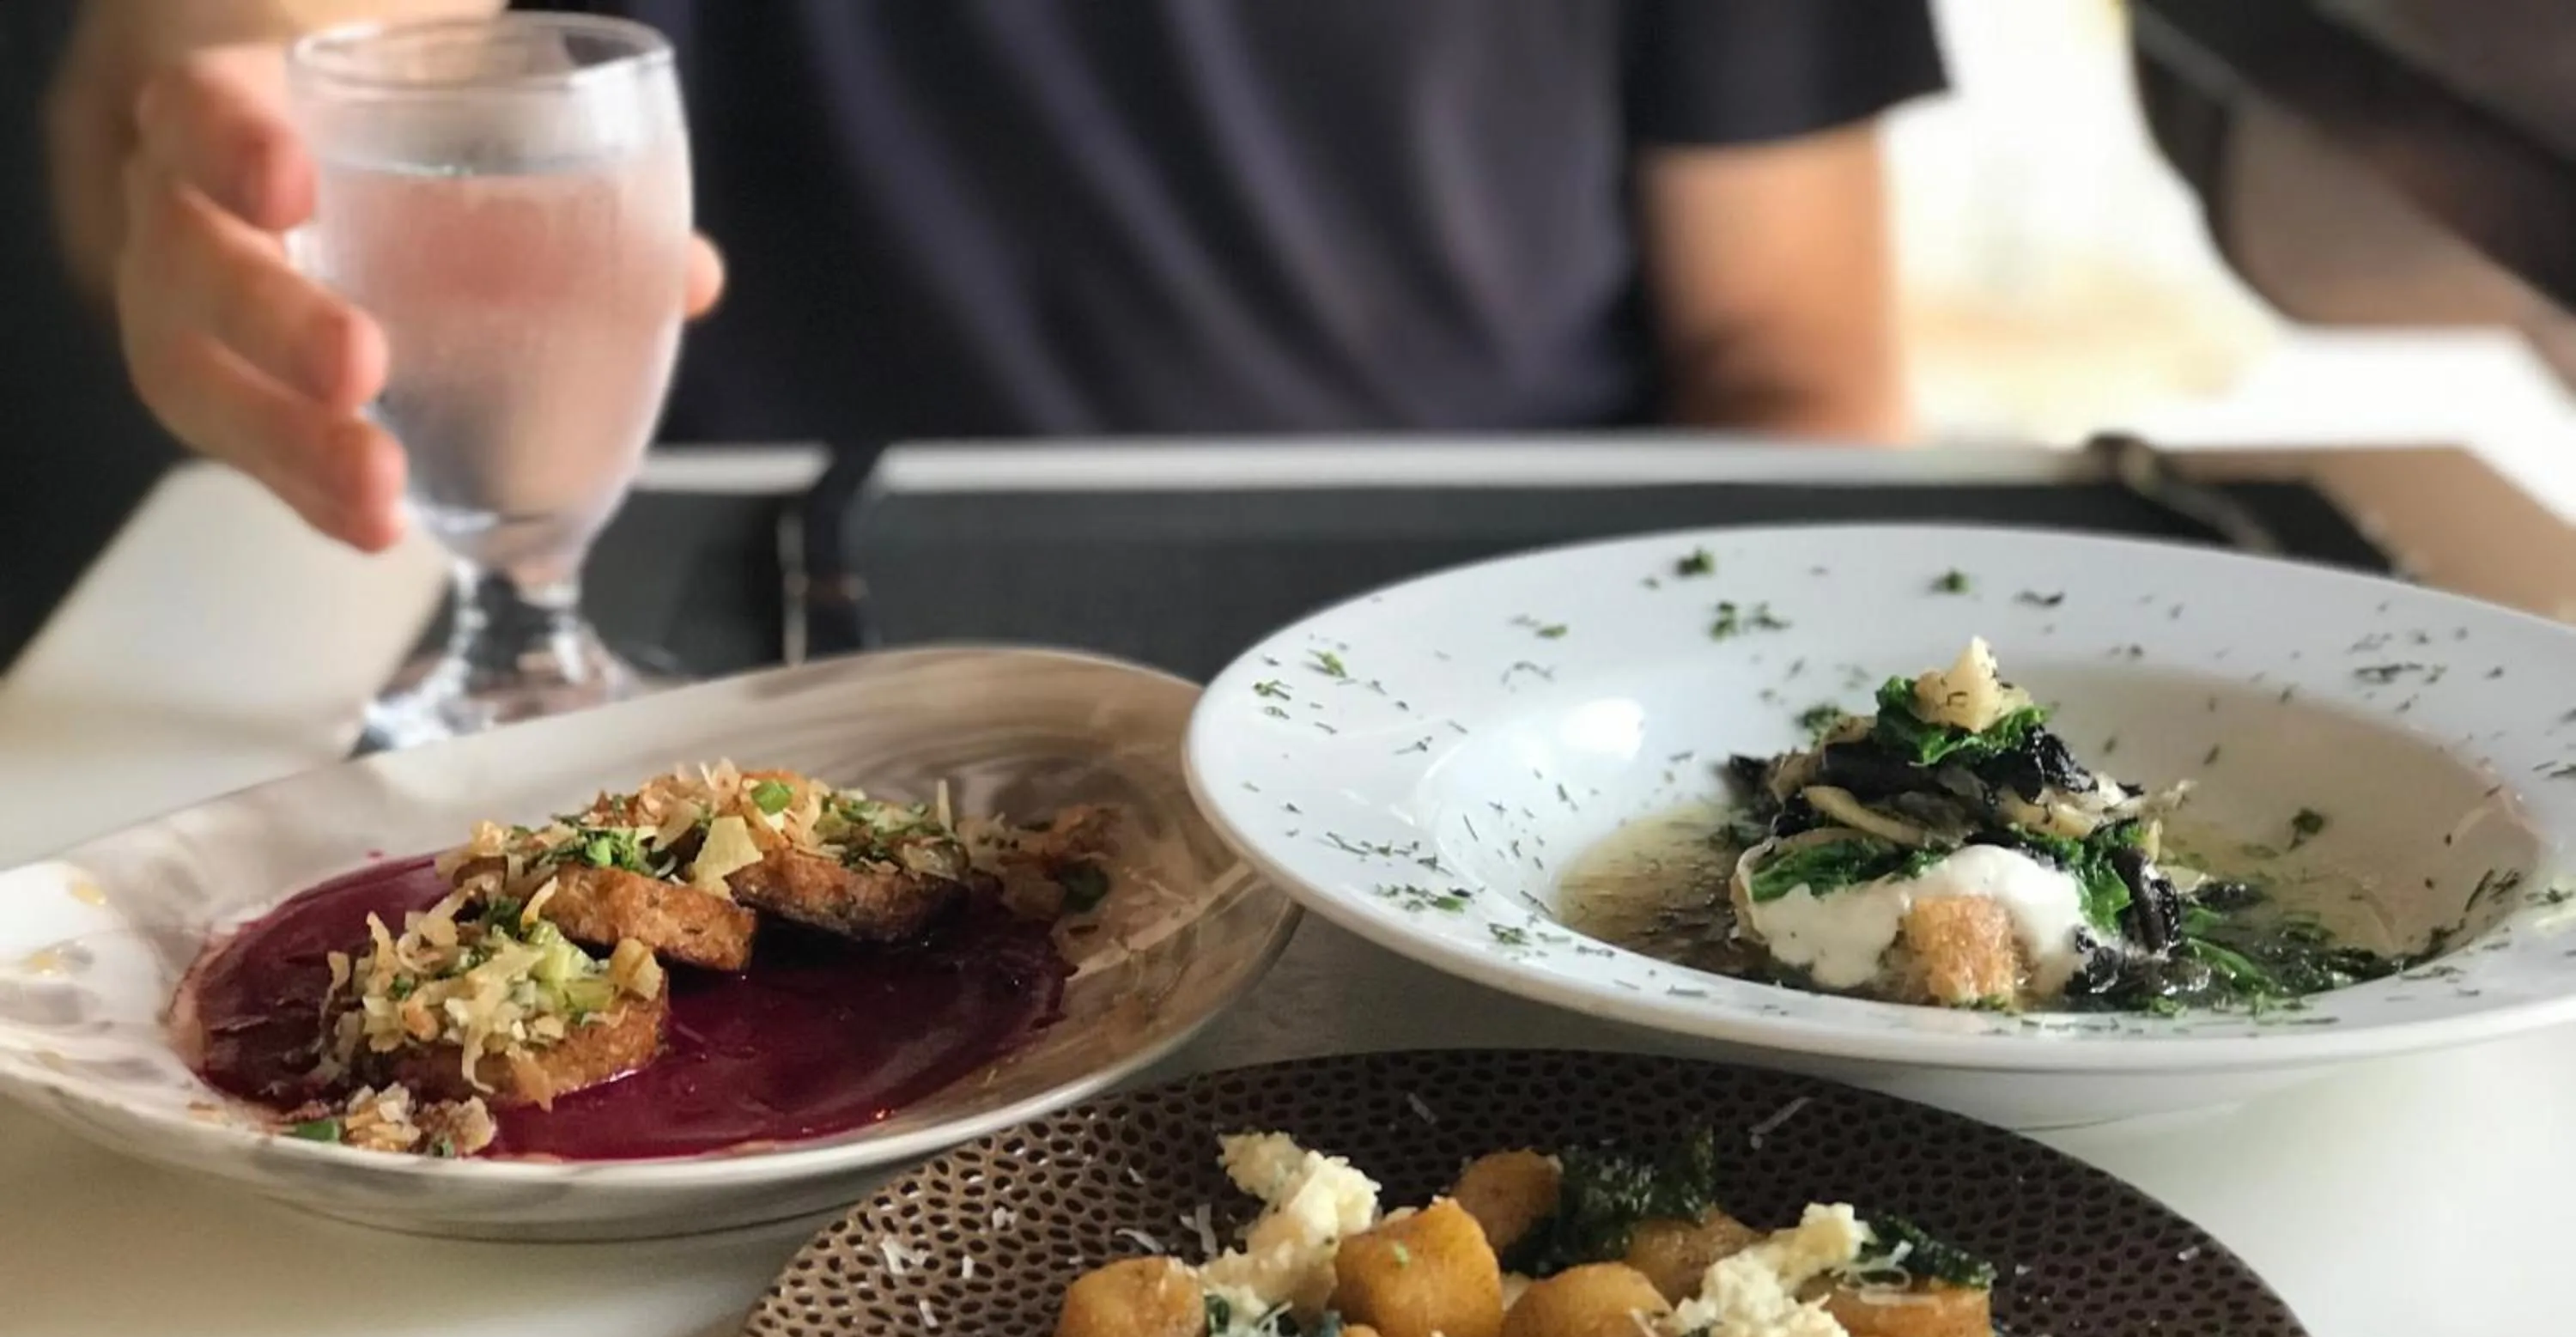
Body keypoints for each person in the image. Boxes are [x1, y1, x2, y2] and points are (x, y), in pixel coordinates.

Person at [46, 1, 1944, 555]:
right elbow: (219, 70)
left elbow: (1794, 357)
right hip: (763, 652)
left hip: (1509, 642)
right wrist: (217, 134)